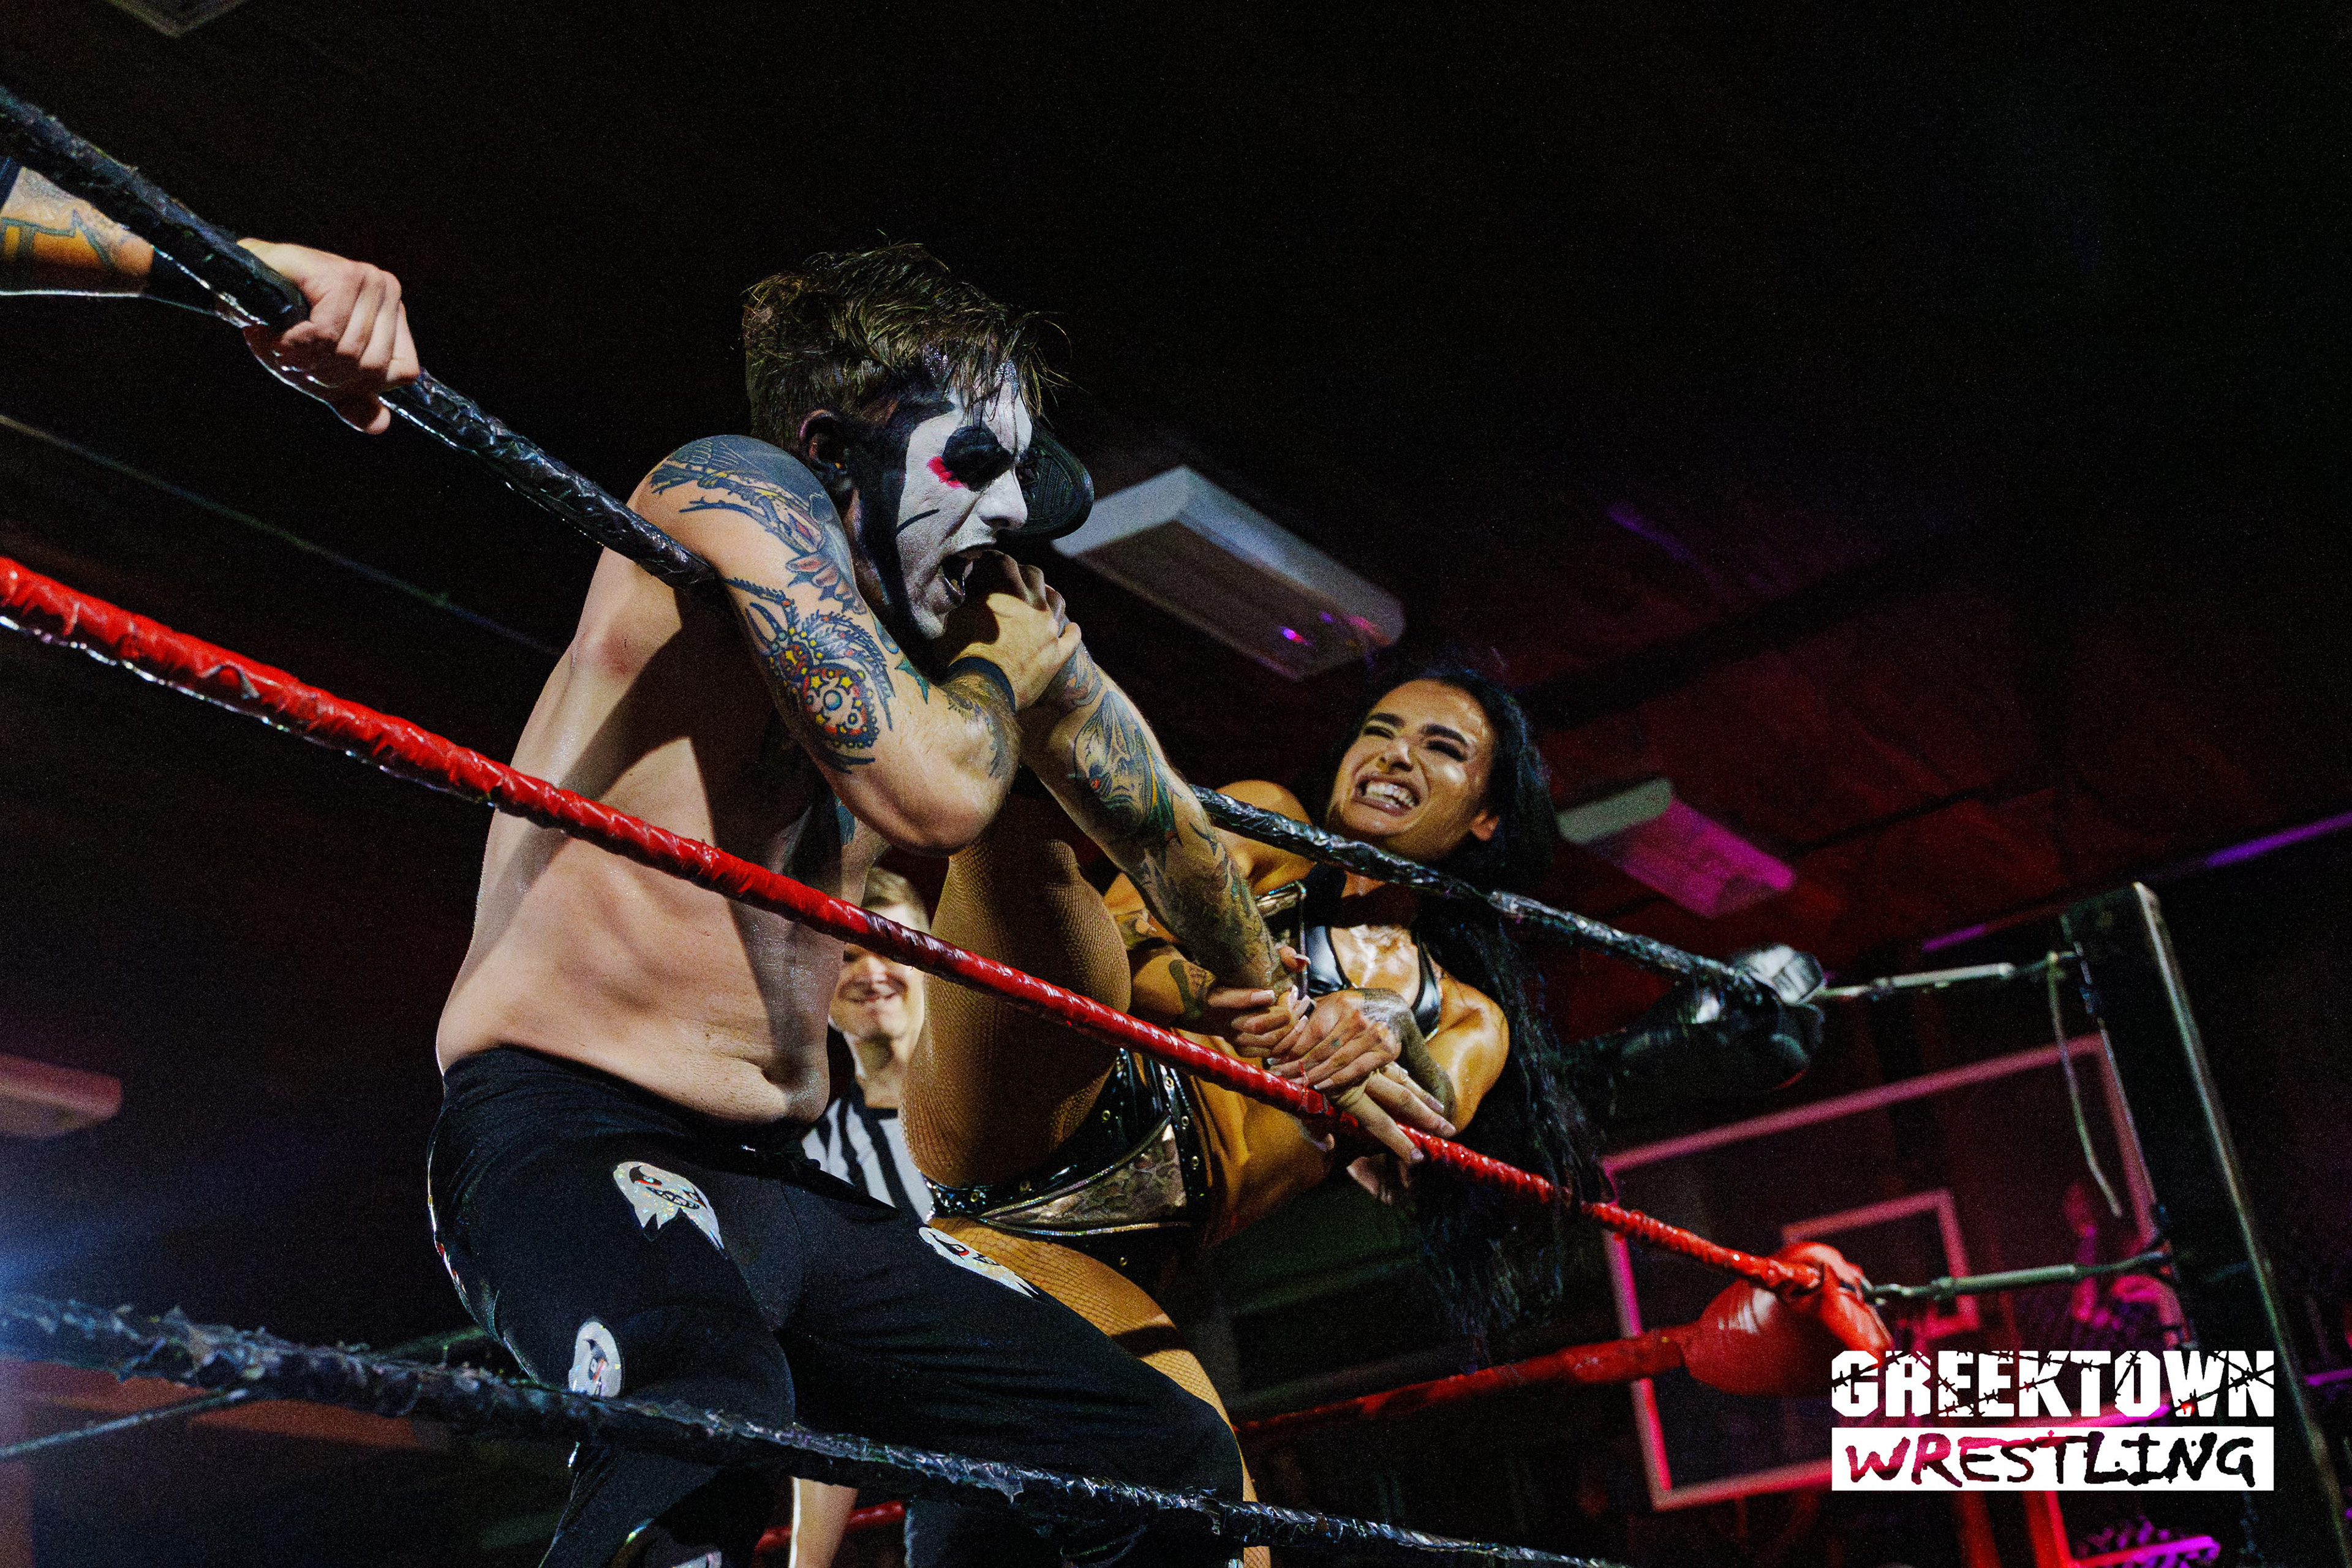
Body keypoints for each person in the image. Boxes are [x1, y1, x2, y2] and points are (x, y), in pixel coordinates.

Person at [9, 204, 1280, 1568]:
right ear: (832, 446)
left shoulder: (951, 627)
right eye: (972, 461)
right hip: (566, 1134)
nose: (1011, 511)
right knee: (706, 1432)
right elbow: (933, 796)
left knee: (1158, 1456)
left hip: (788, 1179)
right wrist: (1003, 673)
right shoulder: (731, 493)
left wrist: (1281, 1003)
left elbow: (1160, 823)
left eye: (1020, 472)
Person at [903, 662, 1825, 1486]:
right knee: (1033, 858)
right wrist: (1248, 1003)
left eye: (1441, 747)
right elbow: (1117, 946)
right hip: (1057, 1111)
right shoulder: (1273, 826)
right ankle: (991, 672)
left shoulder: (1467, 1014)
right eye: (1378, 732)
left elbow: (1432, 1117)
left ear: (1486, 815)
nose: (1394, 755)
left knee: (1195, 1512)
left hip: (1121, 1255)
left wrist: (1388, 1026)